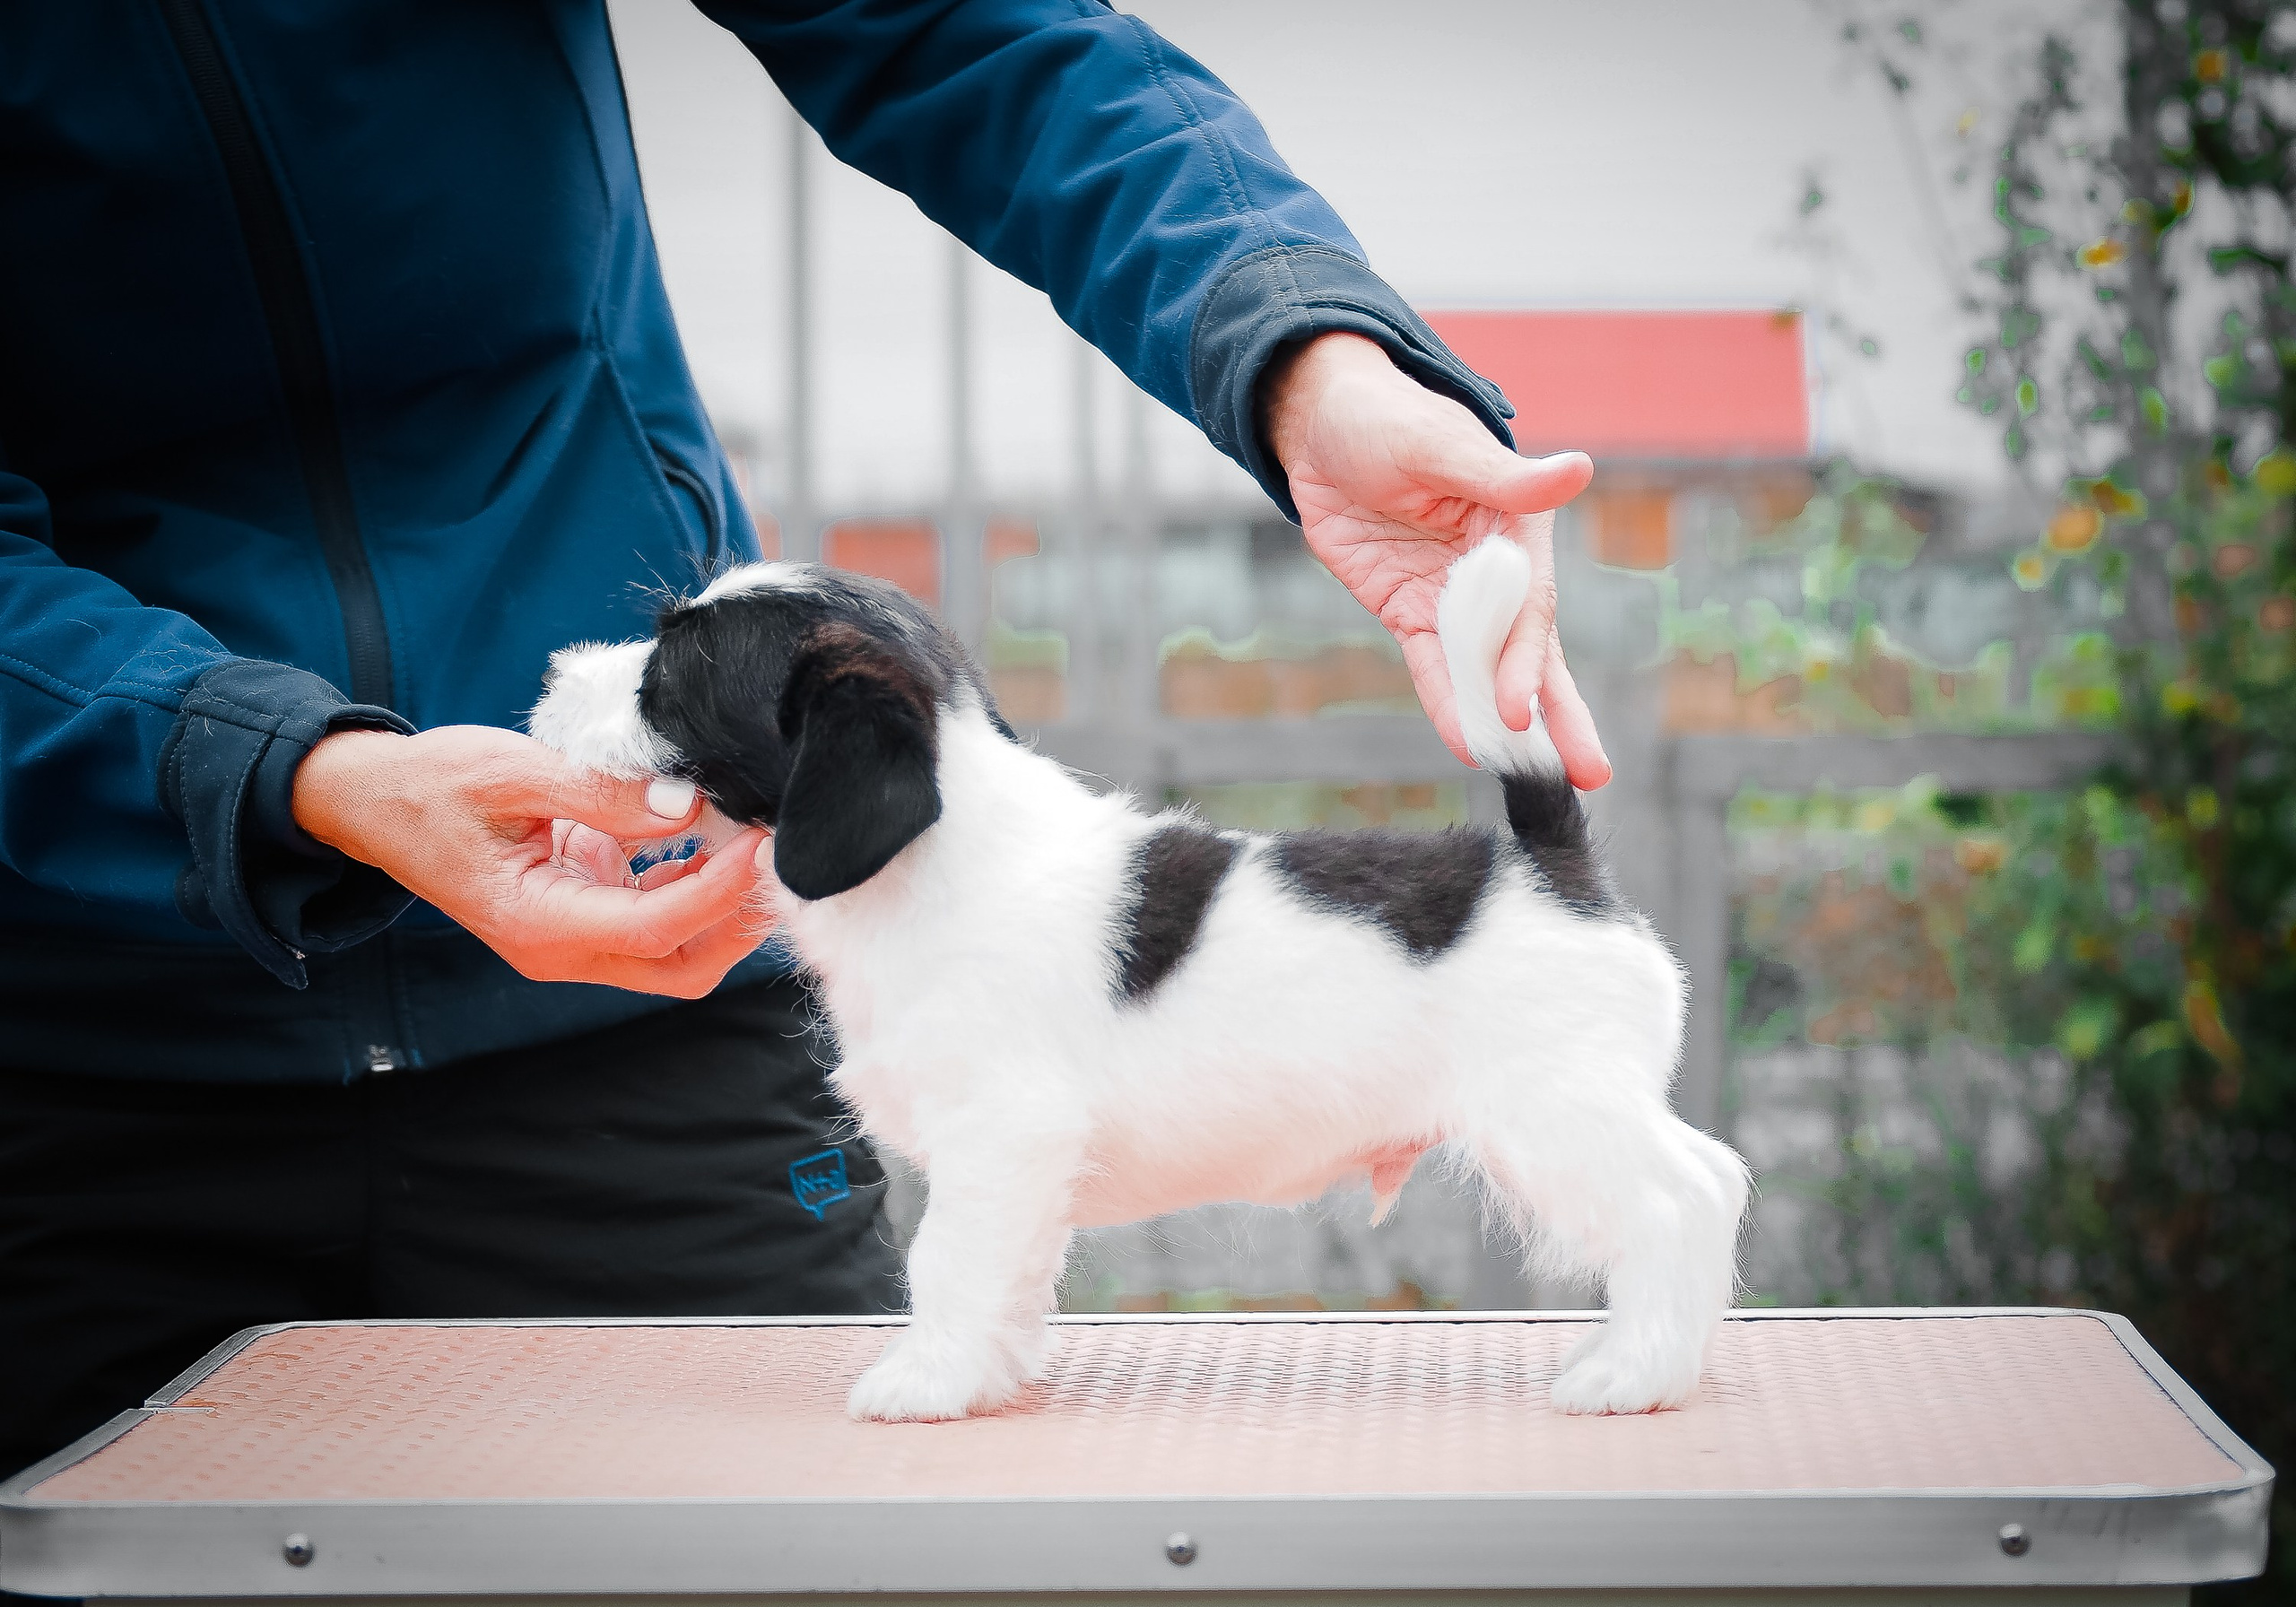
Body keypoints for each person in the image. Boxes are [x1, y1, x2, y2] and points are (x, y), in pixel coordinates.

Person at [0, 0, 1607, 1479]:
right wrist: (280, 779)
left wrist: (1296, 339)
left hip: (664, 1020)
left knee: (831, 1533)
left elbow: (968, 27)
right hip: (91, 1060)